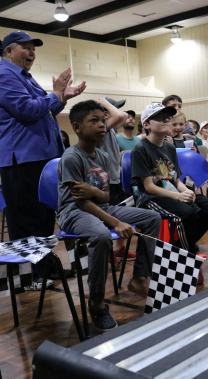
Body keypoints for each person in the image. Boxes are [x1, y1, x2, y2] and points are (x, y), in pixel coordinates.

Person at [0, 30, 86, 289]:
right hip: (23, 159)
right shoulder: (3, 76)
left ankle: (45, 267)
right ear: (9, 51)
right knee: (26, 219)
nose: (32, 53)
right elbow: (27, 110)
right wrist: (54, 93)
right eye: (26, 47)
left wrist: (62, 97)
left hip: (41, 157)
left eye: (34, 49)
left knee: (43, 216)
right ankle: (29, 276)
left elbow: (46, 110)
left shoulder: (24, 77)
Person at [58, 100, 160, 330]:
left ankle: (140, 276)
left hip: (100, 207)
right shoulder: (72, 157)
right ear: (77, 127)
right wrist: (116, 222)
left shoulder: (102, 156)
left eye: (103, 120)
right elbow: (81, 202)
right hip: (73, 212)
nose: (102, 125)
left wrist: (95, 191)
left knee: (152, 218)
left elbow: (104, 197)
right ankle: (96, 303)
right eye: (93, 121)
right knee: (101, 236)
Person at [131, 102, 208, 258]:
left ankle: (179, 246)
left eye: (167, 118)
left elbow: (176, 180)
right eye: (159, 118)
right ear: (146, 125)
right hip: (149, 198)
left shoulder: (170, 148)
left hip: (170, 193)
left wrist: (187, 192)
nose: (166, 120)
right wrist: (179, 196)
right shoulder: (141, 148)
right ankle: (186, 255)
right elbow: (149, 187)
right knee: (187, 213)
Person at [96, 98, 133, 260]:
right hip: (105, 183)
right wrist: (104, 102)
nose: (116, 110)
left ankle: (120, 248)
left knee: (120, 215)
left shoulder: (110, 128)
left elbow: (122, 116)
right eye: (113, 107)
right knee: (109, 219)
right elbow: (120, 115)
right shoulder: (102, 127)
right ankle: (108, 251)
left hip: (115, 180)